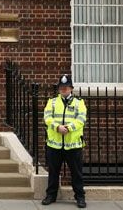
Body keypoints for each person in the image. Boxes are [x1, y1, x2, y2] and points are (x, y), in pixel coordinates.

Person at [42, 75, 87, 208]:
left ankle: (80, 197)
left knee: (76, 173)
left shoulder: (79, 102)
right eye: (61, 88)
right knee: (53, 172)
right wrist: (57, 127)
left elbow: (81, 119)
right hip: (54, 144)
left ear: (71, 88)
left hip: (73, 145)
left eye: (66, 87)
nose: (63, 90)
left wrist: (68, 128)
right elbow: (47, 117)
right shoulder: (52, 102)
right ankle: (51, 195)